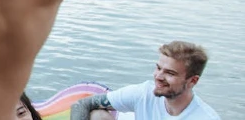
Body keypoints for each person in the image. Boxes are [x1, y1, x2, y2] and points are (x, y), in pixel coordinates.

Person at [70, 41, 221, 120]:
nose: (158, 76)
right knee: (98, 115)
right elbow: (82, 104)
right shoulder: (144, 93)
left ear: (193, 81)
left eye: (170, 73)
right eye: (158, 68)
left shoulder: (204, 117)